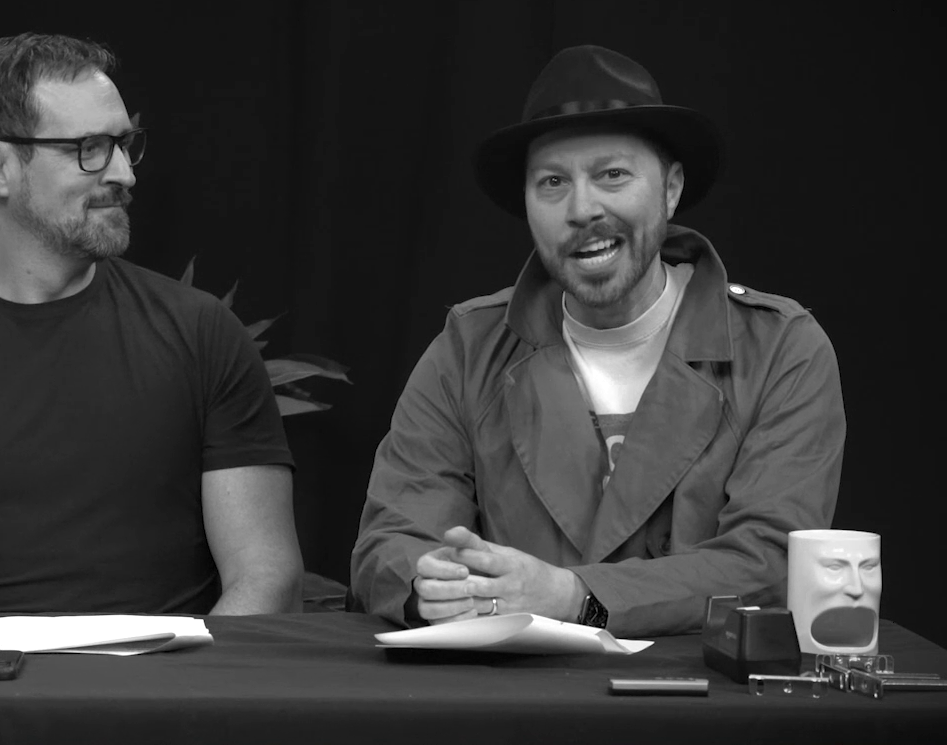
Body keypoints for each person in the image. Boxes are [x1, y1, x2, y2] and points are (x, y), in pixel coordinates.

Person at [0, 33, 302, 615]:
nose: (123, 174)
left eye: (123, 145)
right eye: (89, 147)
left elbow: (267, 580)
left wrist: (174, 701)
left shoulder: (203, 334)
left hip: (164, 692)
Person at [350, 45, 845, 637]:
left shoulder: (782, 347)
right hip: (507, 708)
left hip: (698, 708)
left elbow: (767, 562)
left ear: (670, 189)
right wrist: (431, 586)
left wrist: (572, 595)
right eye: (553, 182)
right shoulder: (469, 346)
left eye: (612, 174)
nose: (582, 209)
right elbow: (392, 541)